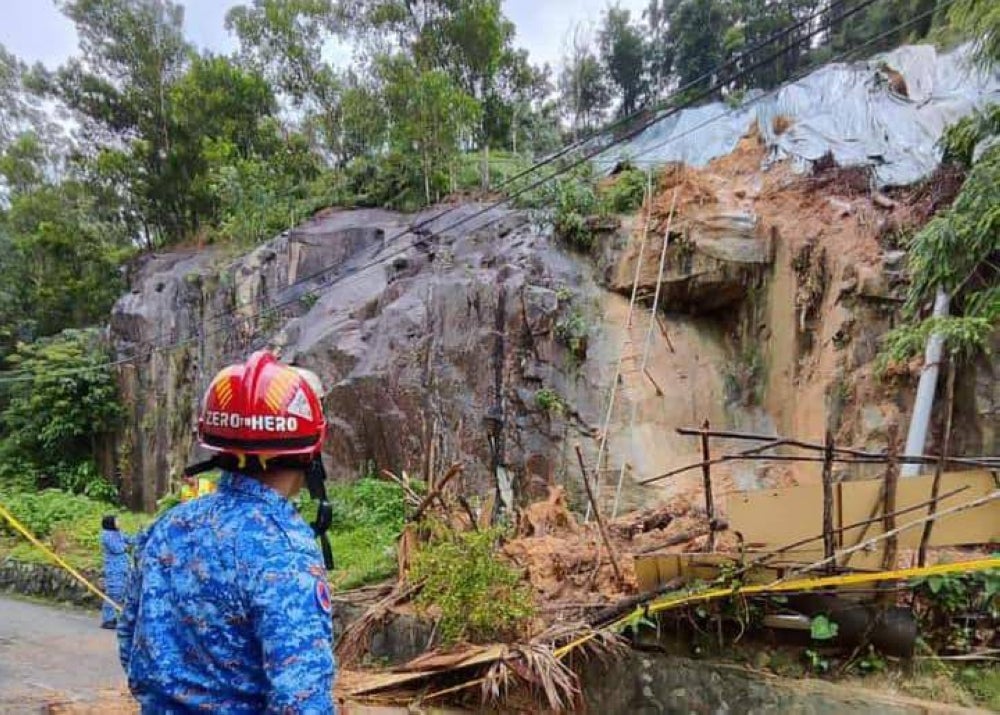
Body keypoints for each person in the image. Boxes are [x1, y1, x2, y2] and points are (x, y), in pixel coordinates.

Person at [118, 350, 337, 713]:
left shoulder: (170, 526)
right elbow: (301, 702)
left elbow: (130, 640)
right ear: (311, 449)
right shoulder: (285, 551)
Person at [99, 515, 133, 629]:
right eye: (117, 520)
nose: (119, 522)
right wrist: (126, 546)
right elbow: (117, 548)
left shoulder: (119, 533)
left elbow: (130, 539)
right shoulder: (106, 535)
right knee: (113, 592)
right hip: (113, 568)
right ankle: (108, 619)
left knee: (123, 593)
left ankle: (115, 617)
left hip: (123, 566)